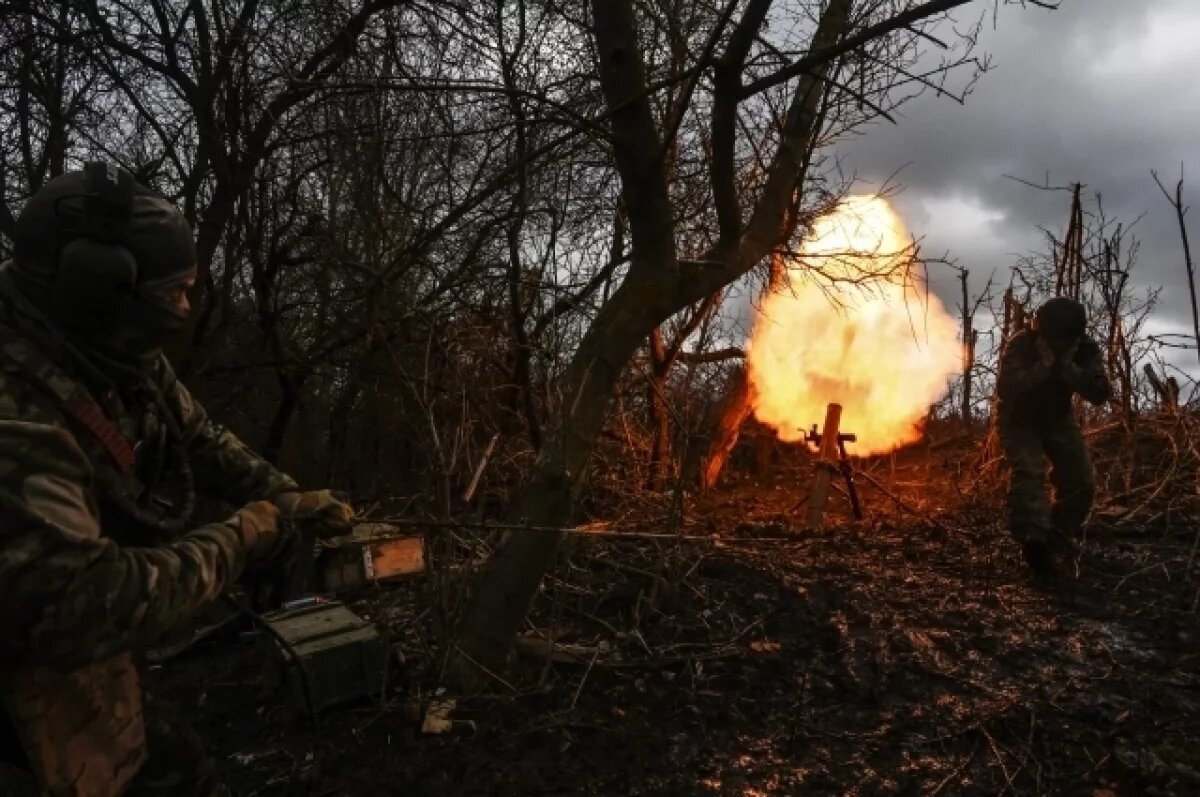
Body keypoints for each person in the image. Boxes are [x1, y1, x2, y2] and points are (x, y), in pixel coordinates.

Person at [0, 163, 355, 796]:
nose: (187, 310)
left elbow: (196, 436)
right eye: (176, 293)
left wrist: (285, 494)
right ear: (101, 293)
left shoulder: (103, 343)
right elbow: (86, 608)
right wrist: (240, 540)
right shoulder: (15, 416)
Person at [996, 296, 1111, 577]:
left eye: (1064, 341)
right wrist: (1044, 369)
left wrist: (1069, 369)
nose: (1058, 345)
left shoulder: (1085, 349)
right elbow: (1006, 387)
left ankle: (1056, 537)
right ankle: (1033, 544)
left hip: (1058, 419)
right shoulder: (1022, 343)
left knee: (1081, 481)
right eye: (1053, 340)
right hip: (1019, 419)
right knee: (1029, 474)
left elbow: (1099, 393)